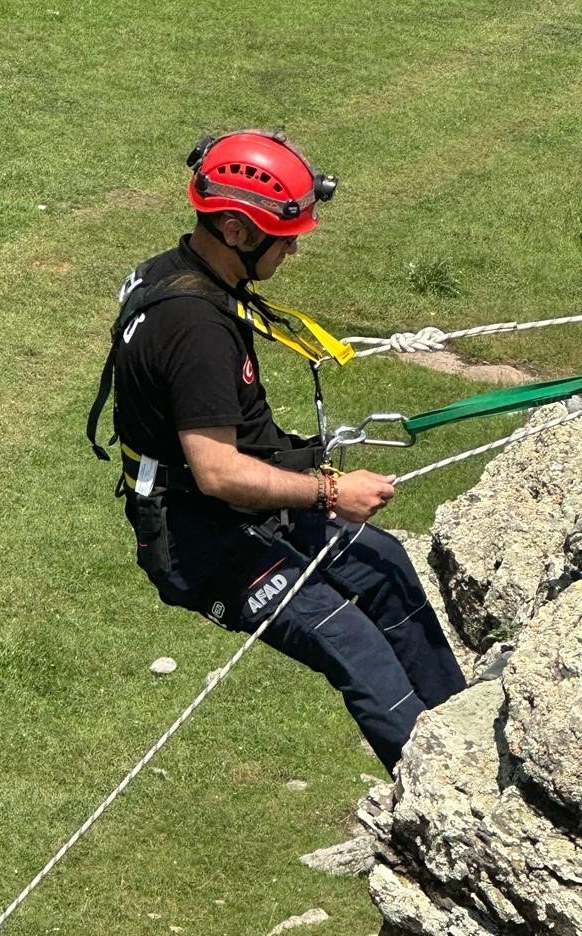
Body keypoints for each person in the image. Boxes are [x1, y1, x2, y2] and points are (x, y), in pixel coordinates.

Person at [88, 130, 466, 773]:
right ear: (236, 231)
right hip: (199, 538)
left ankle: (460, 726)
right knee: (352, 643)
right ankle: (443, 796)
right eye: (284, 234)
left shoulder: (176, 271)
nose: (293, 246)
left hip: (234, 507)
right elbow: (217, 472)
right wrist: (329, 492)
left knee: (383, 564)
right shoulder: (196, 327)